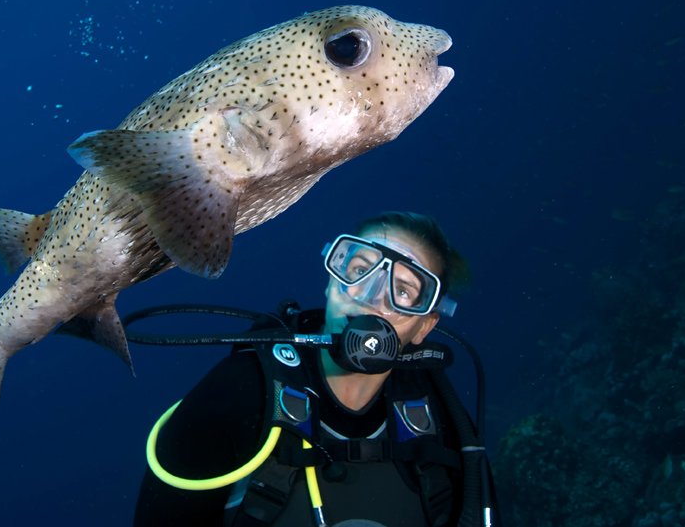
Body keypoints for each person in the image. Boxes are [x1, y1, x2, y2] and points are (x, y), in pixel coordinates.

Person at [133, 212, 479, 527]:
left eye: (402, 291)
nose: (371, 296)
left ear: (424, 326)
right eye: (360, 270)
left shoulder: (442, 420)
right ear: (330, 282)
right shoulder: (239, 392)